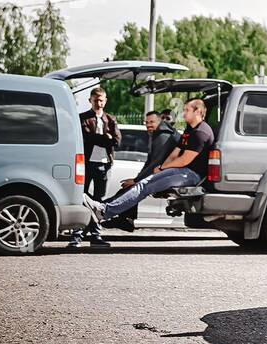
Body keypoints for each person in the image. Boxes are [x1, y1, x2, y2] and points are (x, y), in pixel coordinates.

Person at [82, 98, 214, 226]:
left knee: (147, 187)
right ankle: (103, 209)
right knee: (143, 183)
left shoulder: (201, 132)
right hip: (182, 170)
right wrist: (163, 167)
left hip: (192, 175)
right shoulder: (189, 129)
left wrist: (162, 168)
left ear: (197, 112)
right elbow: (175, 152)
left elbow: (185, 159)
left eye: (187, 110)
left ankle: (103, 211)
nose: (183, 113)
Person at [108, 110, 179, 233]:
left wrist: (136, 180)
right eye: (146, 122)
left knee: (132, 189)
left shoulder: (163, 136)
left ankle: (122, 218)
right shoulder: (158, 134)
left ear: (159, 121)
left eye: (152, 122)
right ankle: (124, 219)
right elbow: (150, 162)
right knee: (129, 189)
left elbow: (155, 163)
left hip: (171, 175)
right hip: (165, 172)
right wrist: (137, 178)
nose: (148, 125)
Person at [70, 87, 121, 249]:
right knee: (81, 198)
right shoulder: (83, 118)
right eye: (95, 100)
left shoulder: (110, 119)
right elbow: (87, 138)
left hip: (104, 164)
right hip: (86, 164)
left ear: (105, 101)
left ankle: (96, 235)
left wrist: (105, 139)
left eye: (101, 100)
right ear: (90, 101)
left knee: (99, 201)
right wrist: (106, 138)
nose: (98, 103)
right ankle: (76, 235)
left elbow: (118, 141)